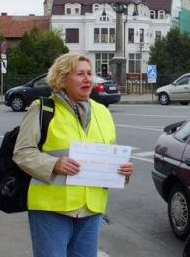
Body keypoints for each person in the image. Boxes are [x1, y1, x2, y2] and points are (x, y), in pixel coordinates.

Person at [13, 52, 133, 257]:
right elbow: (22, 153)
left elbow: (109, 156)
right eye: (80, 74)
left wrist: (123, 171)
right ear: (62, 78)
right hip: (51, 210)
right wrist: (54, 164)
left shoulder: (103, 112)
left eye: (89, 73)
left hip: (91, 210)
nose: (87, 79)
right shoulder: (42, 109)